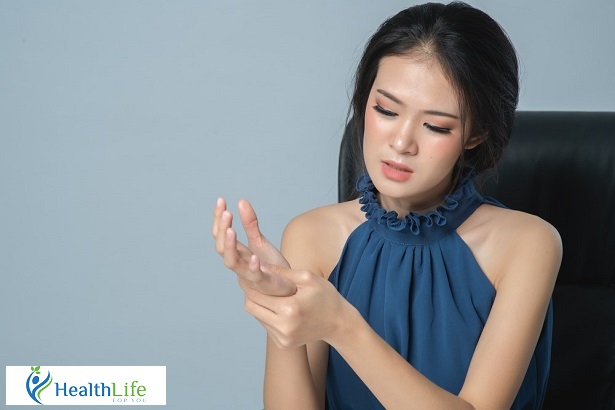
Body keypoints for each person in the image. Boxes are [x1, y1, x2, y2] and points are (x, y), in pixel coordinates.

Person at [212, 2, 562, 409]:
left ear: (476, 134)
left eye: (436, 126)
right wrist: (282, 311)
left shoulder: (528, 244)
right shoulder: (312, 235)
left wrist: (342, 326)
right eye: (386, 110)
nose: (401, 142)